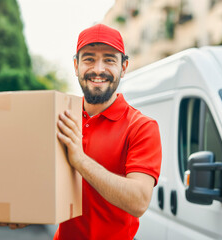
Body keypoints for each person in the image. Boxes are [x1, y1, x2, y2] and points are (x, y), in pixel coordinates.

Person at [55, 24, 162, 239]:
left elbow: (139, 201)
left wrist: (81, 161)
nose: (98, 69)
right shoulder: (62, 118)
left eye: (109, 60)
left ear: (124, 67)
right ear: (76, 66)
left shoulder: (141, 127)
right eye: (89, 59)